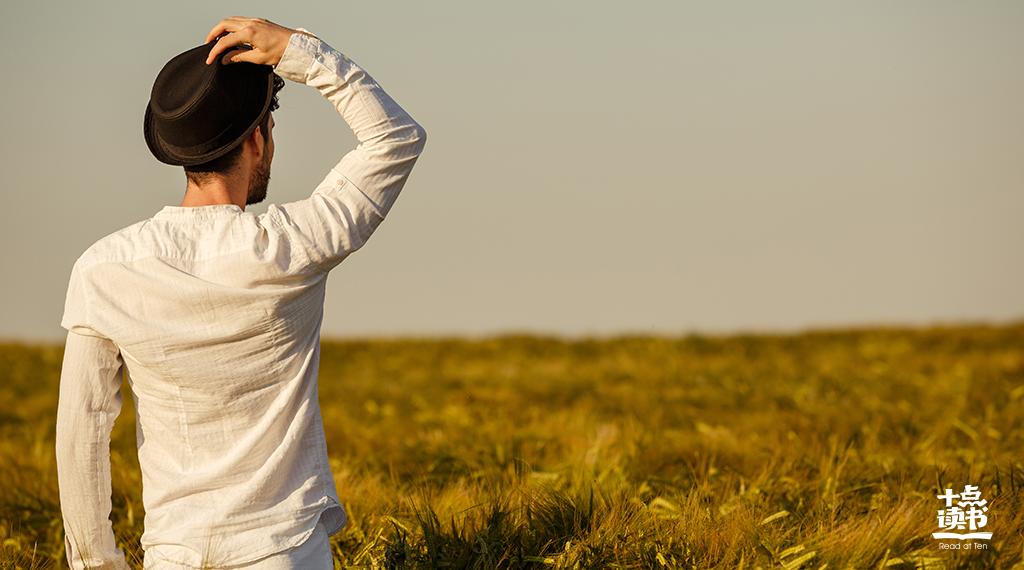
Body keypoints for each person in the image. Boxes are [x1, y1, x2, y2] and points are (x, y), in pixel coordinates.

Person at [54, 16, 427, 569]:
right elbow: (396, 138)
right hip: (286, 553)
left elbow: (80, 435)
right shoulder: (292, 246)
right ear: (259, 139)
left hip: (172, 556)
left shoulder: (104, 268)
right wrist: (299, 51)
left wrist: (97, 564)